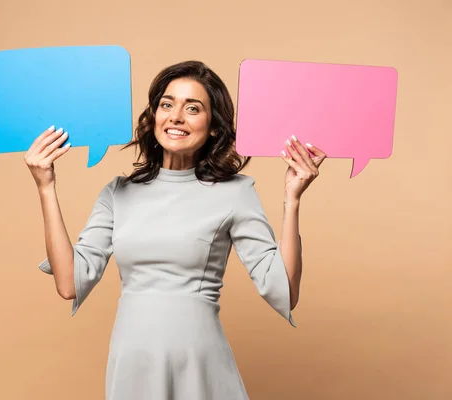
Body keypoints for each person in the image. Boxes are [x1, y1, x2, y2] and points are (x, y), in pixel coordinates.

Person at [24, 60, 327, 400]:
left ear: (214, 126)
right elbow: (69, 282)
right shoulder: (117, 193)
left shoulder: (235, 192)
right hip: (132, 364)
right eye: (167, 104)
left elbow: (284, 289)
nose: (176, 117)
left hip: (200, 363)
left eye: (193, 108)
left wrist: (292, 199)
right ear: (154, 115)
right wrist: (45, 186)